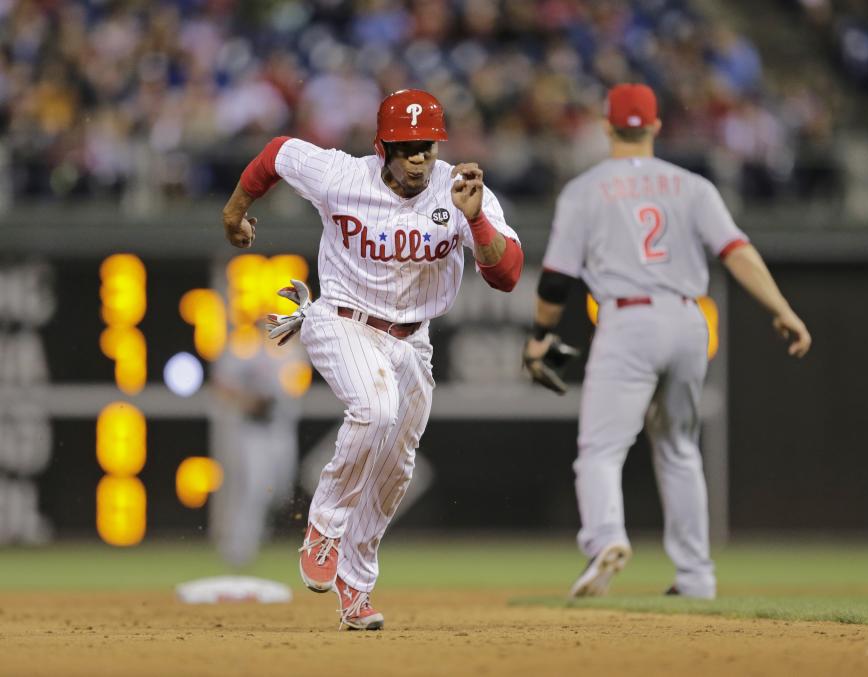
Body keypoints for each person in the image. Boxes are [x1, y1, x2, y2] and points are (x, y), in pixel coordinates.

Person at [220, 89, 523, 629]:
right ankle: (324, 527)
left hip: (413, 342)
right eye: (406, 147)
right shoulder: (342, 175)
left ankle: (355, 592)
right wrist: (235, 212)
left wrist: (475, 221)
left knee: (394, 472)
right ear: (382, 146)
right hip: (339, 319)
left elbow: (507, 276)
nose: (418, 158)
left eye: (426, 146)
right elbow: (275, 154)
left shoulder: (460, 191)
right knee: (376, 408)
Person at [523, 84, 811, 600]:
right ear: (655, 127)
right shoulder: (693, 185)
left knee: (601, 450)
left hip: (628, 319)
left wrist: (541, 336)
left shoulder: (585, 189)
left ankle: (606, 539)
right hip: (688, 320)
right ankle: (697, 577)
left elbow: (556, 280)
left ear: (608, 127)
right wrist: (782, 309)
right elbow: (737, 251)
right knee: (680, 449)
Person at [208, 338, 302, 568]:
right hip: (252, 431)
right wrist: (245, 399)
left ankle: (257, 531)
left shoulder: (291, 353)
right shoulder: (242, 351)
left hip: (281, 429)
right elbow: (220, 383)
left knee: (279, 489)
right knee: (255, 488)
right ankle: (238, 548)